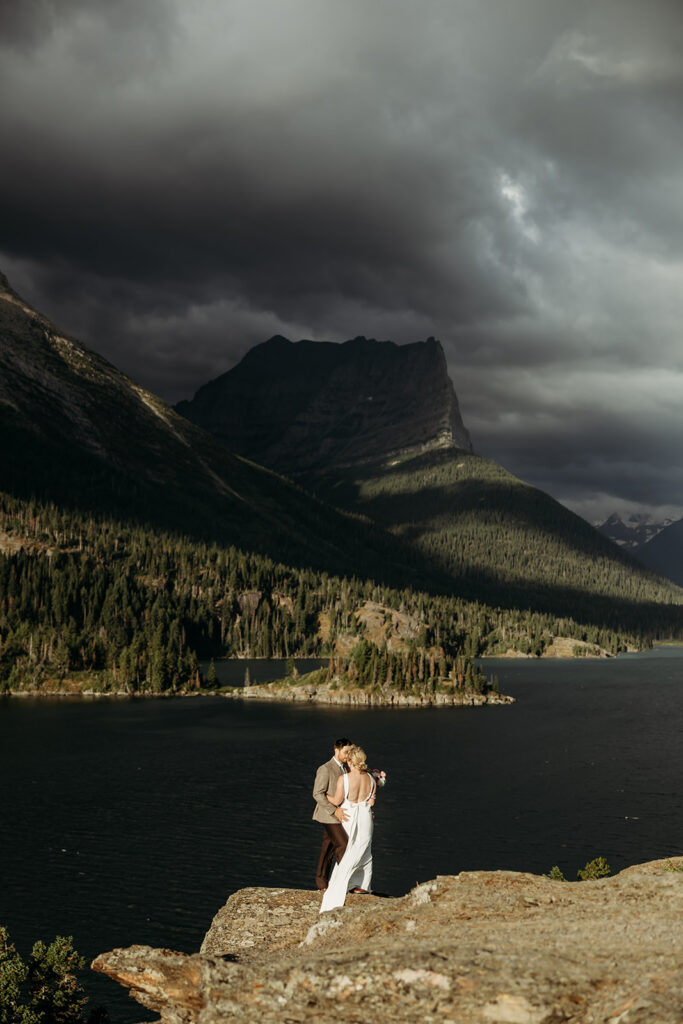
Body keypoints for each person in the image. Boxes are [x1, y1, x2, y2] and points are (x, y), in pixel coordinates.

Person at [319, 744, 375, 913]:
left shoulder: (345, 779)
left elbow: (336, 801)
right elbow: (371, 802)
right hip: (365, 817)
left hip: (349, 817)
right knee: (365, 850)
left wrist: (323, 796)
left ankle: (340, 885)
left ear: (350, 761)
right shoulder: (371, 779)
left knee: (349, 849)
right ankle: (360, 885)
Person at [312, 737, 352, 891]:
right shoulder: (325, 768)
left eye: (349, 752)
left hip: (342, 814)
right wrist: (333, 810)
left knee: (328, 848)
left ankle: (322, 883)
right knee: (343, 844)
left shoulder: (347, 768)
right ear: (336, 750)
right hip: (328, 815)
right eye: (345, 752)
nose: (348, 755)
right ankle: (341, 883)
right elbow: (317, 794)